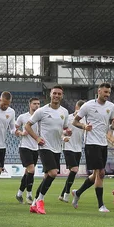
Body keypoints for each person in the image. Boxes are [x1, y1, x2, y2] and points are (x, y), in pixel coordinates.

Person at [24, 86, 71, 214]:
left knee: (47, 176)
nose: (56, 95)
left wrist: (67, 132)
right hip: (45, 146)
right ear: (50, 94)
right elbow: (27, 125)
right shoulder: (41, 111)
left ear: (62, 95)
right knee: (53, 173)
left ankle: (34, 204)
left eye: (59, 94)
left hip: (57, 148)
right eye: (54, 93)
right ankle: (40, 200)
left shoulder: (64, 112)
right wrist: (37, 138)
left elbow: (64, 128)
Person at [71, 82, 114, 213]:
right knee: (101, 173)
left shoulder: (111, 106)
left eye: (109, 92)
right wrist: (84, 127)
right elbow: (75, 121)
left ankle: (78, 192)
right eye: (105, 92)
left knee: (96, 174)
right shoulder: (88, 105)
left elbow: (110, 126)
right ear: (99, 91)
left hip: (103, 143)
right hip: (91, 143)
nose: (107, 95)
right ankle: (101, 205)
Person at [15, 97, 40, 204]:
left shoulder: (40, 117)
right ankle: (29, 195)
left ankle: (19, 193)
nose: (37, 105)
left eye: (38, 104)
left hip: (36, 148)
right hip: (25, 147)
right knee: (31, 170)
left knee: (27, 172)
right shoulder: (23, 117)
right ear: (30, 105)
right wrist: (21, 133)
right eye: (34, 103)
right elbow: (14, 129)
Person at [59, 100, 85, 203]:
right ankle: (67, 193)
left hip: (78, 148)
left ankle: (62, 194)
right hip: (68, 147)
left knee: (73, 172)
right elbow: (59, 130)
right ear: (76, 107)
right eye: (80, 109)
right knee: (74, 170)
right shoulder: (68, 118)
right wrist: (64, 136)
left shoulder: (85, 121)